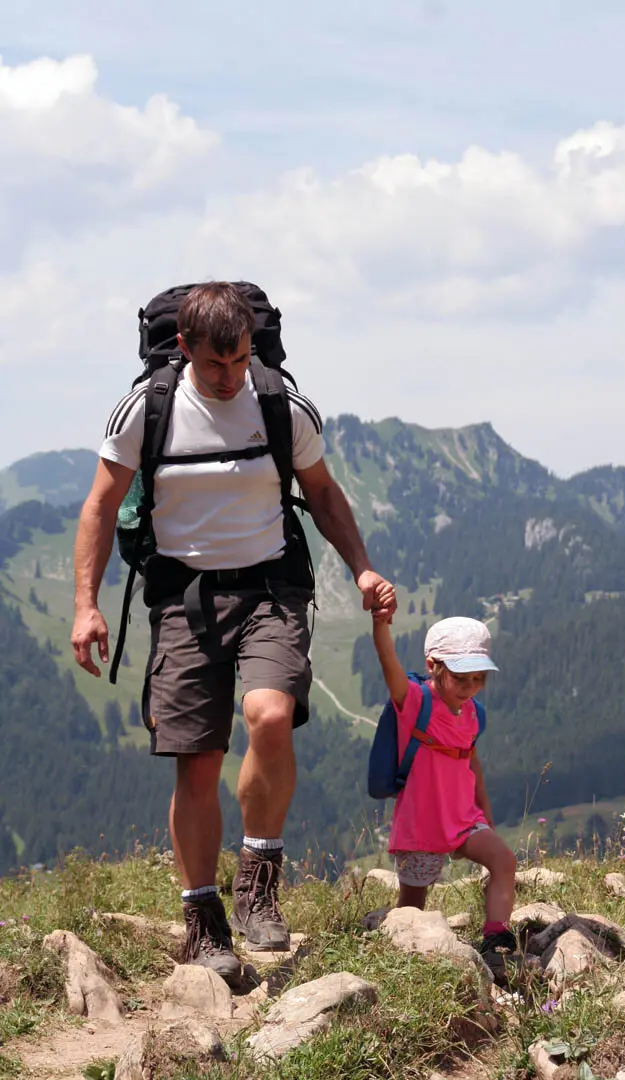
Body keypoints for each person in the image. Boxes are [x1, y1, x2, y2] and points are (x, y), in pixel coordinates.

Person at [71, 282, 396, 987]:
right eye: (217, 365)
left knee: (270, 715)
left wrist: (363, 567)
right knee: (196, 760)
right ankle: (203, 921)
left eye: (242, 360)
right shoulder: (147, 410)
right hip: (183, 598)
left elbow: (324, 493)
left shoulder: (280, 402)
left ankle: (258, 879)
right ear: (184, 348)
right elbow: (99, 504)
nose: (231, 378)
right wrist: (84, 605)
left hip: (272, 588)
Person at [371, 614, 517, 965]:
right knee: (412, 908)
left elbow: (473, 766)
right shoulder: (415, 703)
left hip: (464, 818)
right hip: (422, 825)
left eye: (478, 678)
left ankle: (496, 940)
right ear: (432, 666)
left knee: (504, 861)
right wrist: (380, 622)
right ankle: (402, 958)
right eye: (461, 678)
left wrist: (487, 819)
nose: (470, 686)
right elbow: (387, 661)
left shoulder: (472, 714)